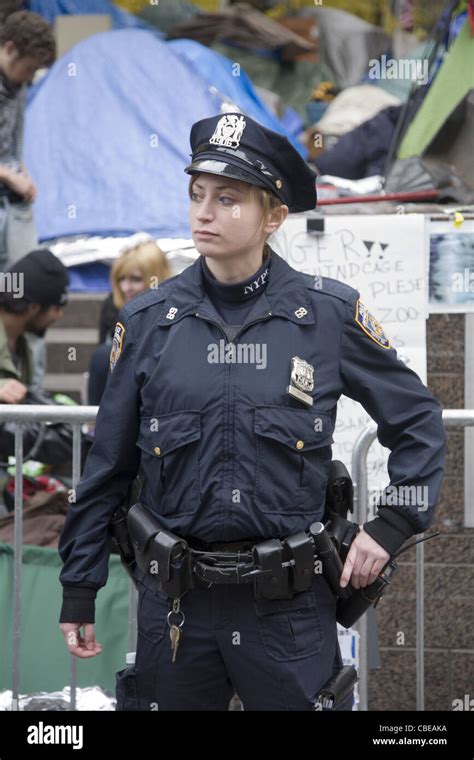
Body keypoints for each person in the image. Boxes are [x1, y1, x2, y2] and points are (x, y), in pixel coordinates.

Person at [58, 112, 446, 711]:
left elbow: (417, 421)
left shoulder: (326, 316)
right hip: (177, 610)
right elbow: (105, 468)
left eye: (228, 199)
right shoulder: (146, 324)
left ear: (274, 216)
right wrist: (79, 586)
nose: (204, 212)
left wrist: (391, 525)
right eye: (197, 195)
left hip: (289, 612)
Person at [0, 10, 56, 272]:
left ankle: (15, 308)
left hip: (13, 199)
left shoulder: (19, 86)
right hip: (8, 183)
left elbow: (12, 140)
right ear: (10, 49)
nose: (31, 77)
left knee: (21, 279)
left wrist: (21, 170)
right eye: (29, 68)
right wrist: (9, 176)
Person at [88, 234, 171, 405]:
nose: (125, 288)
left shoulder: (177, 308)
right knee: (102, 356)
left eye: (135, 279)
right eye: (121, 279)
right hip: (121, 397)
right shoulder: (112, 306)